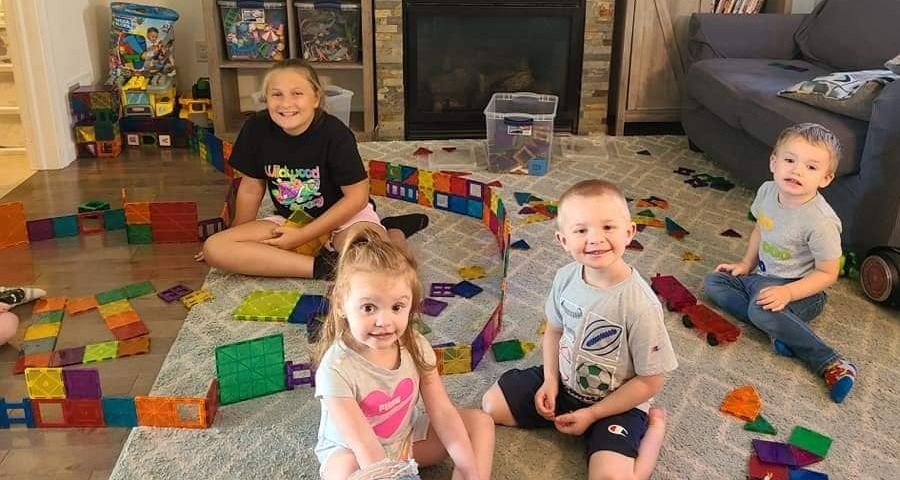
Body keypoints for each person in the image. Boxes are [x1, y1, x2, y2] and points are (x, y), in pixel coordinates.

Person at [481, 179, 677, 480]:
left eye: (608, 228)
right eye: (581, 230)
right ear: (562, 240)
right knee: (491, 405)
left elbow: (651, 381)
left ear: (630, 232)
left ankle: (654, 429)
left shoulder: (641, 304)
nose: (595, 239)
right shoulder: (565, 277)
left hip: (618, 403)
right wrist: (549, 382)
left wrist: (594, 414)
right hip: (565, 384)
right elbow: (554, 331)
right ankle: (575, 419)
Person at [200, 59, 427, 279]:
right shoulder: (256, 128)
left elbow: (357, 197)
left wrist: (302, 236)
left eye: (297, 93)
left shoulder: (335, 134)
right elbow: (251, 188)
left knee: (384, 264)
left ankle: (393, 231)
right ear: (266, 99)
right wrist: (236, 236)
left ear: (316, 98)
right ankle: (322, 268)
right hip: (292, 220)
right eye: (276, 94)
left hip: (346, 217)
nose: (286, 103)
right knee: (215, 248)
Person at [313, 227, 494, 480]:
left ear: (411, 304)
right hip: (355, 452)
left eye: (397, 306)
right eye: (368, 307)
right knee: (344, 470)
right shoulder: (334, 370)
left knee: (480, 424)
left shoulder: (416, 346)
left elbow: (442, 411)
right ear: (341, 304)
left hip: (405, 440)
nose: (384, 321)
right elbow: (365, 446)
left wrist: (467, 466)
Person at [703, 123, 856, 403]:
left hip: (804, 290)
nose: (796, 171)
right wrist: (746, 264)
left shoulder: (821, 222)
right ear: (774, 163)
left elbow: (828, 273)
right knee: (714, 282)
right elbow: (761, 228)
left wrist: (788, 293)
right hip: (761, 279)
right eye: (789, 160)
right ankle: (780, 332)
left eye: (811, 167)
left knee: (760, 310)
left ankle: (831, 362)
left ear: (826, 178)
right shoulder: (767, 191)